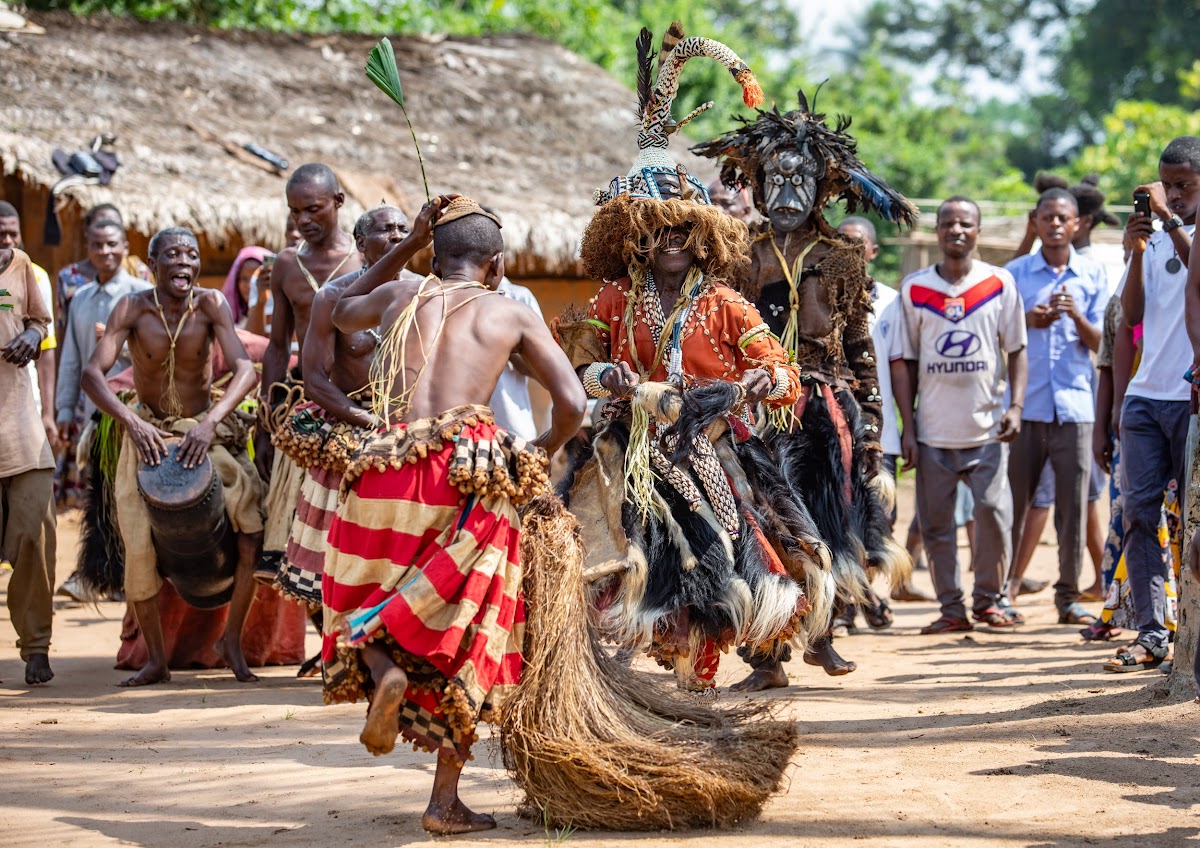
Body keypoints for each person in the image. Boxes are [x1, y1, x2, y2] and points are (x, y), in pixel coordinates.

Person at [557, 33, 830, 698]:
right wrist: (610, 381)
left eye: (682, 229)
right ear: (637, 238)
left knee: (732, 546)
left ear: (699, 235)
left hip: (713, 442)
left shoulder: (729, 305)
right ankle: (650, 669)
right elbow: (579, 369)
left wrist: (753, 385)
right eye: (657, 231)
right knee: (607, 549)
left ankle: (717, 673)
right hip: (631, 445)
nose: (671, 240)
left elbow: (783, 374)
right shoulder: (614, 299)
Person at [321, 194, 585, 834]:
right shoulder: (510, 313)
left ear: (434, 258)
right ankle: (443, 802)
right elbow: (573, 399)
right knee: (469, 632)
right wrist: (539, 452)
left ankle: (383, 672)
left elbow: (335, 308)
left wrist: (405, 246)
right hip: (463, 475)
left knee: (368, 597)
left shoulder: (400, 294)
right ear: (496, 265)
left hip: (381, 464)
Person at [694, 90, 915, 683]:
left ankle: (823, 634)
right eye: (776, 181)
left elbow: (859, 343)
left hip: (825, 407)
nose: (788, 196)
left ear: (823, 188)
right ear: (757, 186)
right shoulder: (739, 253)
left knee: (831, 518)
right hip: (756, 407)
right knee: (756, 521)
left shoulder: (843, 255)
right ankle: (766, 655)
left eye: (802, 182)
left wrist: (869, 422)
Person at [81, 227, 264, 686]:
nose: (184, 262)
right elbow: (92, 375)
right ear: (153, 263)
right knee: (139, 548)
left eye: (191, 254)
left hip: (204, 433)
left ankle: (232, 642)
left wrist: (210, 421)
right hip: (148, 437)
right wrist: (132, 422)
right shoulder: (131, 308)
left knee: (250, 529)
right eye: (173, 255)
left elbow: (244, 368)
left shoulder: (211, 305)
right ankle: (157, 660)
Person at [892, 197, 1028, 634]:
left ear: (978, 231)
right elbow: (903, 361)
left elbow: (1018, 350)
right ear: (937, 232)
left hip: (987, 429)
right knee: (936, 524)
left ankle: (989, 600)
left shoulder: (999, 282)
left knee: (991, 514)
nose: (956, 230)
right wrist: (908, 428)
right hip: (933, 432)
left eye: (965, 224)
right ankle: (952, 608)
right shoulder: (915, 289)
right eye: (948, 223)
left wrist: (1016, 406)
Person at [274, 205, 415, 610]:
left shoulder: (429, 291)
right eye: (386, 229)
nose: (397, 235)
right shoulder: (332, 298)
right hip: (352, 427)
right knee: (336, 555)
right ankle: (339, 645)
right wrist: (367, 422)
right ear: (360, 243)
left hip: (413, 432)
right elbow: (315, 378)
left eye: (404, 229)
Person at [1107, 136, 1199, 672]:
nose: (1174, 194)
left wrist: (1170, 223)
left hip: (1190, 398)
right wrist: (1138, 250)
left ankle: (1191, 629)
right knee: (1140, 514)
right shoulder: (1159, 237)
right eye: (1167, 185)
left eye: (1184, 185)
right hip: (1145, 396)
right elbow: (1132, 312)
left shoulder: (1186, 231)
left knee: (1193, 519)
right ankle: (1150, 630)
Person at [1003, 187, 1108, 626]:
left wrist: (1076, 317)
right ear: (1036, 221)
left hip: (1076, 408)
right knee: (1015, 504)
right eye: (1047, 217)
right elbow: (997, 335)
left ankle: (1067, 595)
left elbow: (1106, 344)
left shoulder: (1093, 275)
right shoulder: (1014, 275)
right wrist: (1029, 319)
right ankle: (1002, 590)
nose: (1056, 225)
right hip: (1025, 409)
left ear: (1077, 223)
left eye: (1064, 218)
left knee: (1073, 508)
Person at [256, 164, 363, 578]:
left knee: (353, 530)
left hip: (361, 407)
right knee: (301, 540)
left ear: (338, 203)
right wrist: (268, 423)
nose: (302, 221)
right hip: (307, 410)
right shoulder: (286, 265)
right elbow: (278, 346)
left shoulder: (364, 260)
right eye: (294, 211)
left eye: (313, 209)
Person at [839, 215, 932, 606]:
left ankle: (863, 595)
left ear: (874, 251)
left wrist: (907, 427)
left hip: (881, 432)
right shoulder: (818, 298)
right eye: (842, 243)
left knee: (880, 516)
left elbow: (901, 368)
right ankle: (850, 604)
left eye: (858, 244)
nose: (851, 252)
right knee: (839, 514)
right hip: (834, 426)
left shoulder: (893, 303)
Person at [54, 218, 152, 515]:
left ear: (125, 246)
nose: (104, 251)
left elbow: (158, 353)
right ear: (88, 249)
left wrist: (119, 346)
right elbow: (71, 358)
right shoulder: (80, 298)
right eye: (97, 245)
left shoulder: (144, 293)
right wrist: (65, 409)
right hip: (94, 412)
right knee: (100, 490)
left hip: (138, 408)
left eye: (112, 244)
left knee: (137, 487)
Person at [0, 237, 57, 684]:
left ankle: (36, 646)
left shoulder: (21, 266)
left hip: (22, 430)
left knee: (36, 537)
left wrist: (32, 334)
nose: (6, 242)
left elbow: (42, 323)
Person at [0, 202, 57, 442]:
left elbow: (46, 348)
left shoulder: (36, 276)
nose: (8, 241)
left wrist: (47, 412)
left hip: (23, 396)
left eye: (14, 234)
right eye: (1, 234)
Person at [54, 203, 151, 341]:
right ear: (88, 232)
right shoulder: (69, 277)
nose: (107, 229)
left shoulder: (139, 273)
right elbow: (63, 327)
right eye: (101, 224)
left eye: (114, 225)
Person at [221, 246, 271, 329]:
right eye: (244, 279)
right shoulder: (224, 316)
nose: (249, 285)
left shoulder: (277, 315)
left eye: (255, 278)